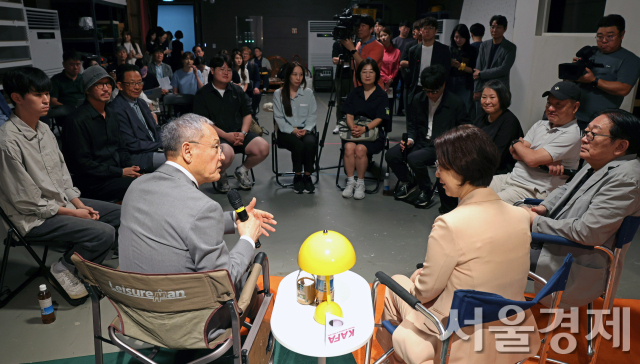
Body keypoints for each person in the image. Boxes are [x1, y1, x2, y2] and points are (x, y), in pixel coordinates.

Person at [377, 125, 539, 364]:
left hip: (456, 342)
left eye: (442, 166)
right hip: (510, 333)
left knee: (396, 285)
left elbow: (424, 292)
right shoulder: (521, 216)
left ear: (463, 171)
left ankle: (398, 358)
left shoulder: (450, 224)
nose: (437, 173)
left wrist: (420, 279)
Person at [118, 113, 276, 298]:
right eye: (216, 147)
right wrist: (248, 238)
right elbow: (224, 282)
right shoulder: (202, 207)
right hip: (190, 318)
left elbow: (178, 221)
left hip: (136, 308)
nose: (223, 156)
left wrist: (235, 219)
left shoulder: (137, 186)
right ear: (187, 151)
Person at [0, 67, 121, 300]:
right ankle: (64, 266)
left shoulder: (44, 129)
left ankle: (85, 269)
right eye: (38, 94)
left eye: (47, 93)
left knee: (121, 214)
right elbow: (27, 203)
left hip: (59, 203)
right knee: (103, 232)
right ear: (17, 98)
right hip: (32, 218)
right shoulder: (7, 142)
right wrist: (75, 213)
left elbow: (63, 177)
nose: (46, 100)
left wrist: (77, 204)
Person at [526, 109, 640, 309]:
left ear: (621, 146)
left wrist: (535, 222)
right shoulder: (597, 163)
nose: (584, 139)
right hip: (557, 244)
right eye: (585, 132)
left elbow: (588, 232)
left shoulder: (626, 180)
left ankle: (491, 315)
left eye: (593, 134)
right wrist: (544, 207)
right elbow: (566, 189)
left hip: (572, 259)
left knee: (492, 249)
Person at [386, 65, 470, 211]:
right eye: (427, 91)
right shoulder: (418, 99)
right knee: (392, 155)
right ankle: (410, 182)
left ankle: (426, 189)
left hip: (440, 146)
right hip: (420, 141)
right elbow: (412, 125)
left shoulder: (455, 103)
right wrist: (410, 139)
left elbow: (463, 129)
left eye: (434, 91)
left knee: (414, 159)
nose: (431, 95)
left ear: (443, 85)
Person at [490, 81, 582, 204]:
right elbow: (515, 153)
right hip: (511, 178)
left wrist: (517, 143)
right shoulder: (541, 124)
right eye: (549, 103)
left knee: (485, 204)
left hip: (533, 190)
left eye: (558, 105)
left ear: (575, 107)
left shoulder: (572, 134)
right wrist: (522, 148)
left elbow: (530, 159)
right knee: (469, 188)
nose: (550, 109)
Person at [62, 66, 140, 202]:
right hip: (93, 182)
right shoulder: (76, 120)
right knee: (141, 187)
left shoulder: (111, 114)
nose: (106, 88)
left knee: (149, 178)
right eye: (99, 85)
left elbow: (121, 147)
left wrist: (131, 169)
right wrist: (121, 172)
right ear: (87, 90)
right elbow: (82, 164)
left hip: (115, 174)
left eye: (108, 84)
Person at [193, 55, 269, 192]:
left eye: (229, 70)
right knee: (227, 154)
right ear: (212, 71)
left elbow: (247, 114)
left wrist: (243, 133)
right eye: (222, 69)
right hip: (216, 137)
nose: (226, 73)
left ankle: (242, 171)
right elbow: (204, 123)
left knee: (263, 147)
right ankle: (221, 175)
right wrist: (226, 136)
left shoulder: (237, 90)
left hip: (239, 134)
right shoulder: (203, 94)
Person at [574, 15, 640, 130]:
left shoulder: (630, 60)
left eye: (610, 36)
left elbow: (624, 89)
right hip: (572, 114)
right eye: (600, 37)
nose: (604, 41)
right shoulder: (591, 52)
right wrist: (574, 71)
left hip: (598, 121)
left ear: (622, 34)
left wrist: (594, 80)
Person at [341, 59, 390, 200]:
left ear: (376, 74)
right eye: (364, 72)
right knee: (349, 147)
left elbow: (380, 118)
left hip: (373, 132)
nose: (367, 75)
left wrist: (365, 128)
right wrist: (352, 127)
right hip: (355, 129)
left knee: (360, 149)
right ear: (359, 75)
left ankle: (360, 183)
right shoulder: (354, 93)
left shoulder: (382, 95)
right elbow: (349, 114)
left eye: (371, 72)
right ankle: (351, 182)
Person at [108, 64, 164, 174]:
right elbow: (131, 144)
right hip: (137, 156)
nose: (137, 87)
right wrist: (161, 145)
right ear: (120, 85)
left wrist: (167, 143)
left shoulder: (141, 102)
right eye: (132, 83)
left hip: (155, 149)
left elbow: (156, 128)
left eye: (139, 83)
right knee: (177, 161)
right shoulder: (115, 109)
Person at [273, 62, 318, 194]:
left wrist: (306, 129)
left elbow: (312, 115)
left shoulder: (308, 93)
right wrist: (293, 130)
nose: (298, 78)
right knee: (297, 145)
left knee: (310, 143)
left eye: (301, 75)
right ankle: (298, 176)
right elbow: (279, 118)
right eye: (295, 74)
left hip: (305, 129)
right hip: (286, 131)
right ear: (288, 76)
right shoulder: (279, 94)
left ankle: (307, 176)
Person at [474, 80, 523, 174]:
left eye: (492, 97)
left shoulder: (509, 121)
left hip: (501, 170)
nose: (487, 101)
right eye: (484, 97)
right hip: (479, 164)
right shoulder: (481, 118)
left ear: (502, 98)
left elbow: (498, 155)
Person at [473, 15, 517, 118]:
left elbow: (503, 69)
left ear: (505, 29)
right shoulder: (484, 45)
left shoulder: (510, 47)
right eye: (492, 27)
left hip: (499, 90)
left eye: (498, 27)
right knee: (480, 120)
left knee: (497, 119)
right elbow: (477, 70)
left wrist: (481, 73)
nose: (494, 30)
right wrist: (477, 90)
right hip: (483, 90)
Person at [402, 17, 451, 106]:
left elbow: (446, 71)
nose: (427, 31)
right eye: (425, 28)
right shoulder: (413, 50)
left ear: (436, 31)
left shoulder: (444, 50)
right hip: (417, 88)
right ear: (420, 30)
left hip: (436, 89)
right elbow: (412, 71)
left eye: (431, 28)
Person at [339, 15, 385, 88]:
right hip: (359, 87)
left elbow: (367, 66)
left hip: (373, 89)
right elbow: (353, 66)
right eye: (358, 26)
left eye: (363, 26)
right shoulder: (359, 44)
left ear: (371, 29)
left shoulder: (378, 46)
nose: (359, 29)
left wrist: (352, 49)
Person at [449, 24, 478, 110]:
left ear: (466, 37)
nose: (458, 40)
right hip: (450, 81)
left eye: (461, 37)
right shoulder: (450, 49)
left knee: (463, 107)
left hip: (464, 82)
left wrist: (460, 66)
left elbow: (473, 69)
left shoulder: (472, 50)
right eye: (456, 37)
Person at [392, 20, 417, 117]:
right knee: (393, 88)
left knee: (404, 89)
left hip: (406, 68)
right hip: (395, 68)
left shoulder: (412, 42)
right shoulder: (395, 41)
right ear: (399, 28)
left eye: (407, 28)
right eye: (403, 27)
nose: (405, 30)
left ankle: (400, 109)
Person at [332, 39, 354, 134]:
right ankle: (339, 123)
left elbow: (355, 59)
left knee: (352, 100)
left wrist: (341, 59)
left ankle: (351, 124)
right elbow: (334, 60)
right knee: (339, 101)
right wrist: (345, 60)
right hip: (339, 76)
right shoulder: (337, 44)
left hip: (352, 76)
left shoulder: (354, 43)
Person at [379, 26, 401, 99]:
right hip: (380, 80)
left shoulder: (397, 52)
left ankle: (388, 111)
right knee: (380, 103)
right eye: (381, 36)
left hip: (392, 81)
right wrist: (386, 79)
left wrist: (390, 79)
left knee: (390, 104)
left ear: (390, 36)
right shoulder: (379, 51)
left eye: (385, 35)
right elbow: (377, 67)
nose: (383, 38)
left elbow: (396, 67)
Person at [242, 47, 262, 119]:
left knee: (258, 94)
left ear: (249, 56)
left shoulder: (254, 65)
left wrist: (256, 87)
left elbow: (257, 79)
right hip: (241, 87)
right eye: (243, 54)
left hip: (251, 88)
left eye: (246, 54)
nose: (245, 55)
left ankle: (253, 113)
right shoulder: (237, 66)